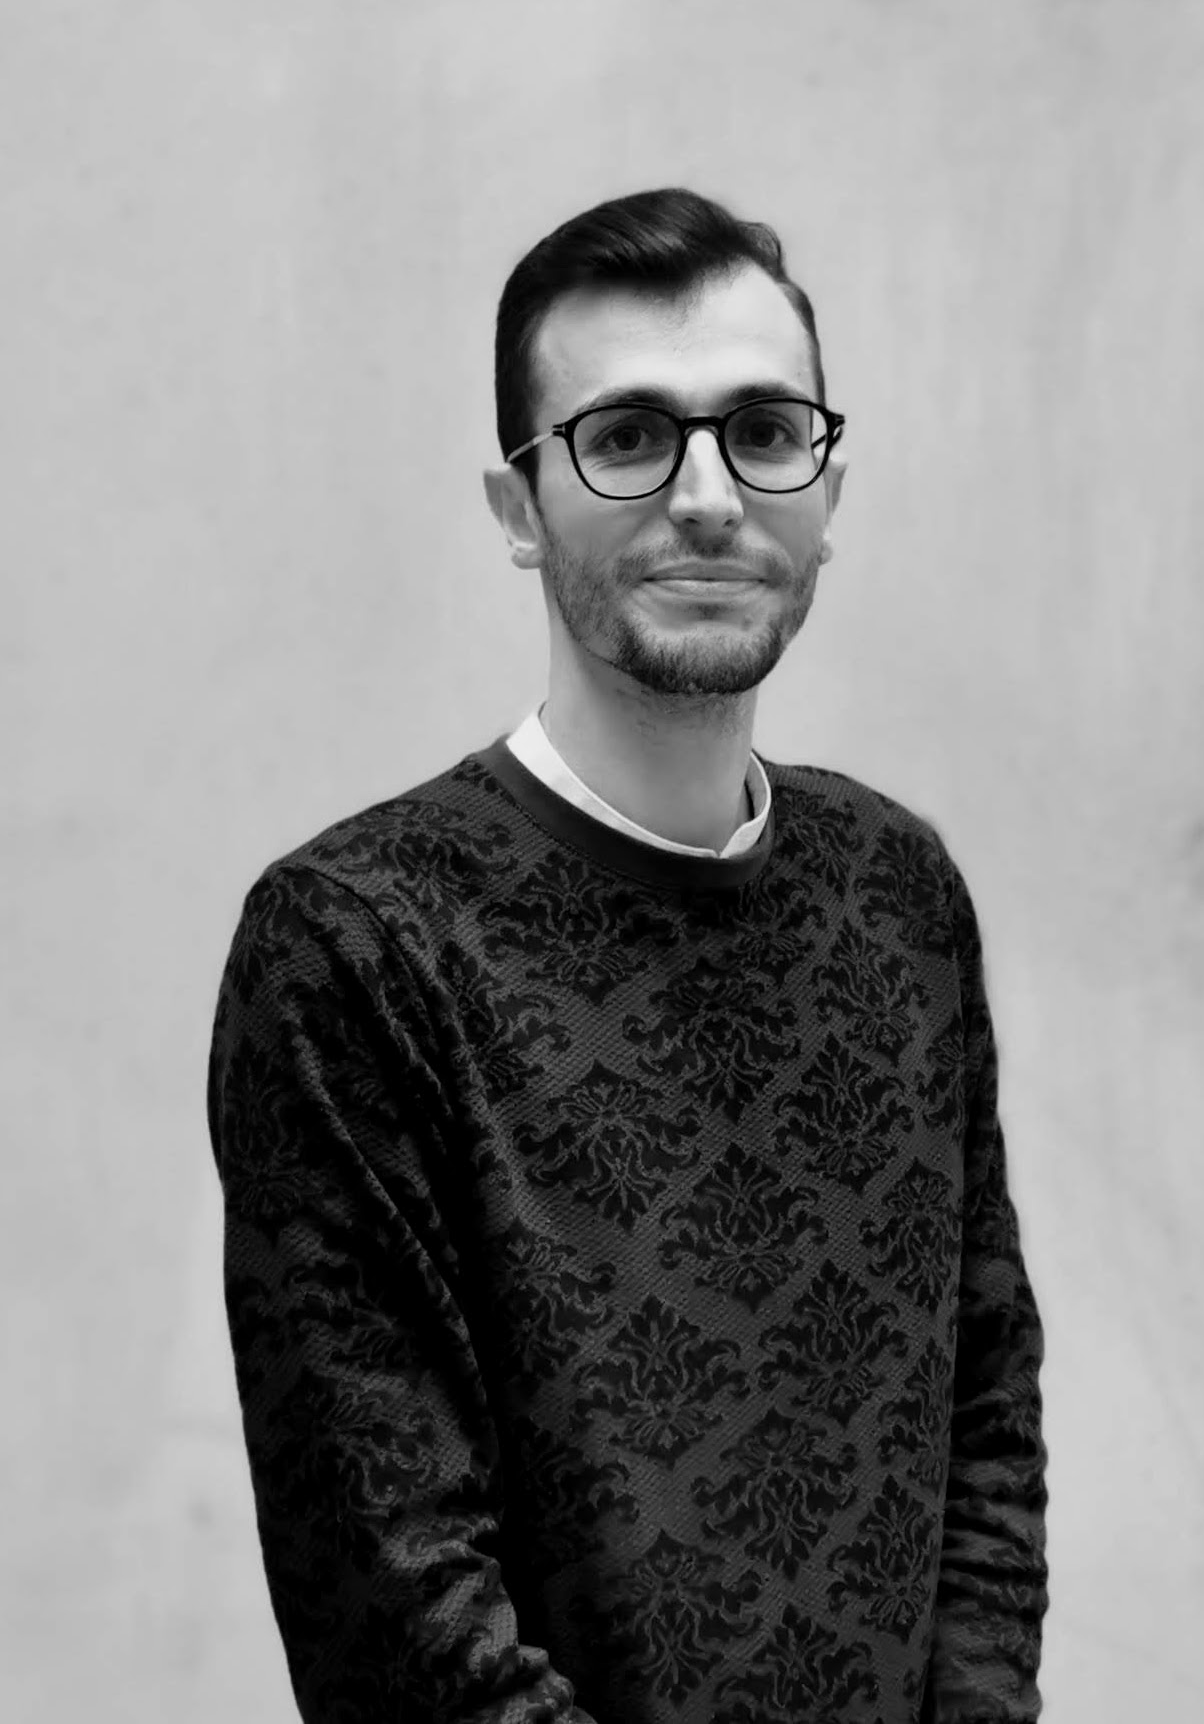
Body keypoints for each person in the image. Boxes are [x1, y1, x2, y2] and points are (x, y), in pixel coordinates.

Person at [207, 186, 1048, 1724]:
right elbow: (397, 1619)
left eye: (764, 430)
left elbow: (982, 1420)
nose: (708, 496)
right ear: (518, 506)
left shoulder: (899, 890)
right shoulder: (355, 944)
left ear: (827, 488)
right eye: (628, 435)